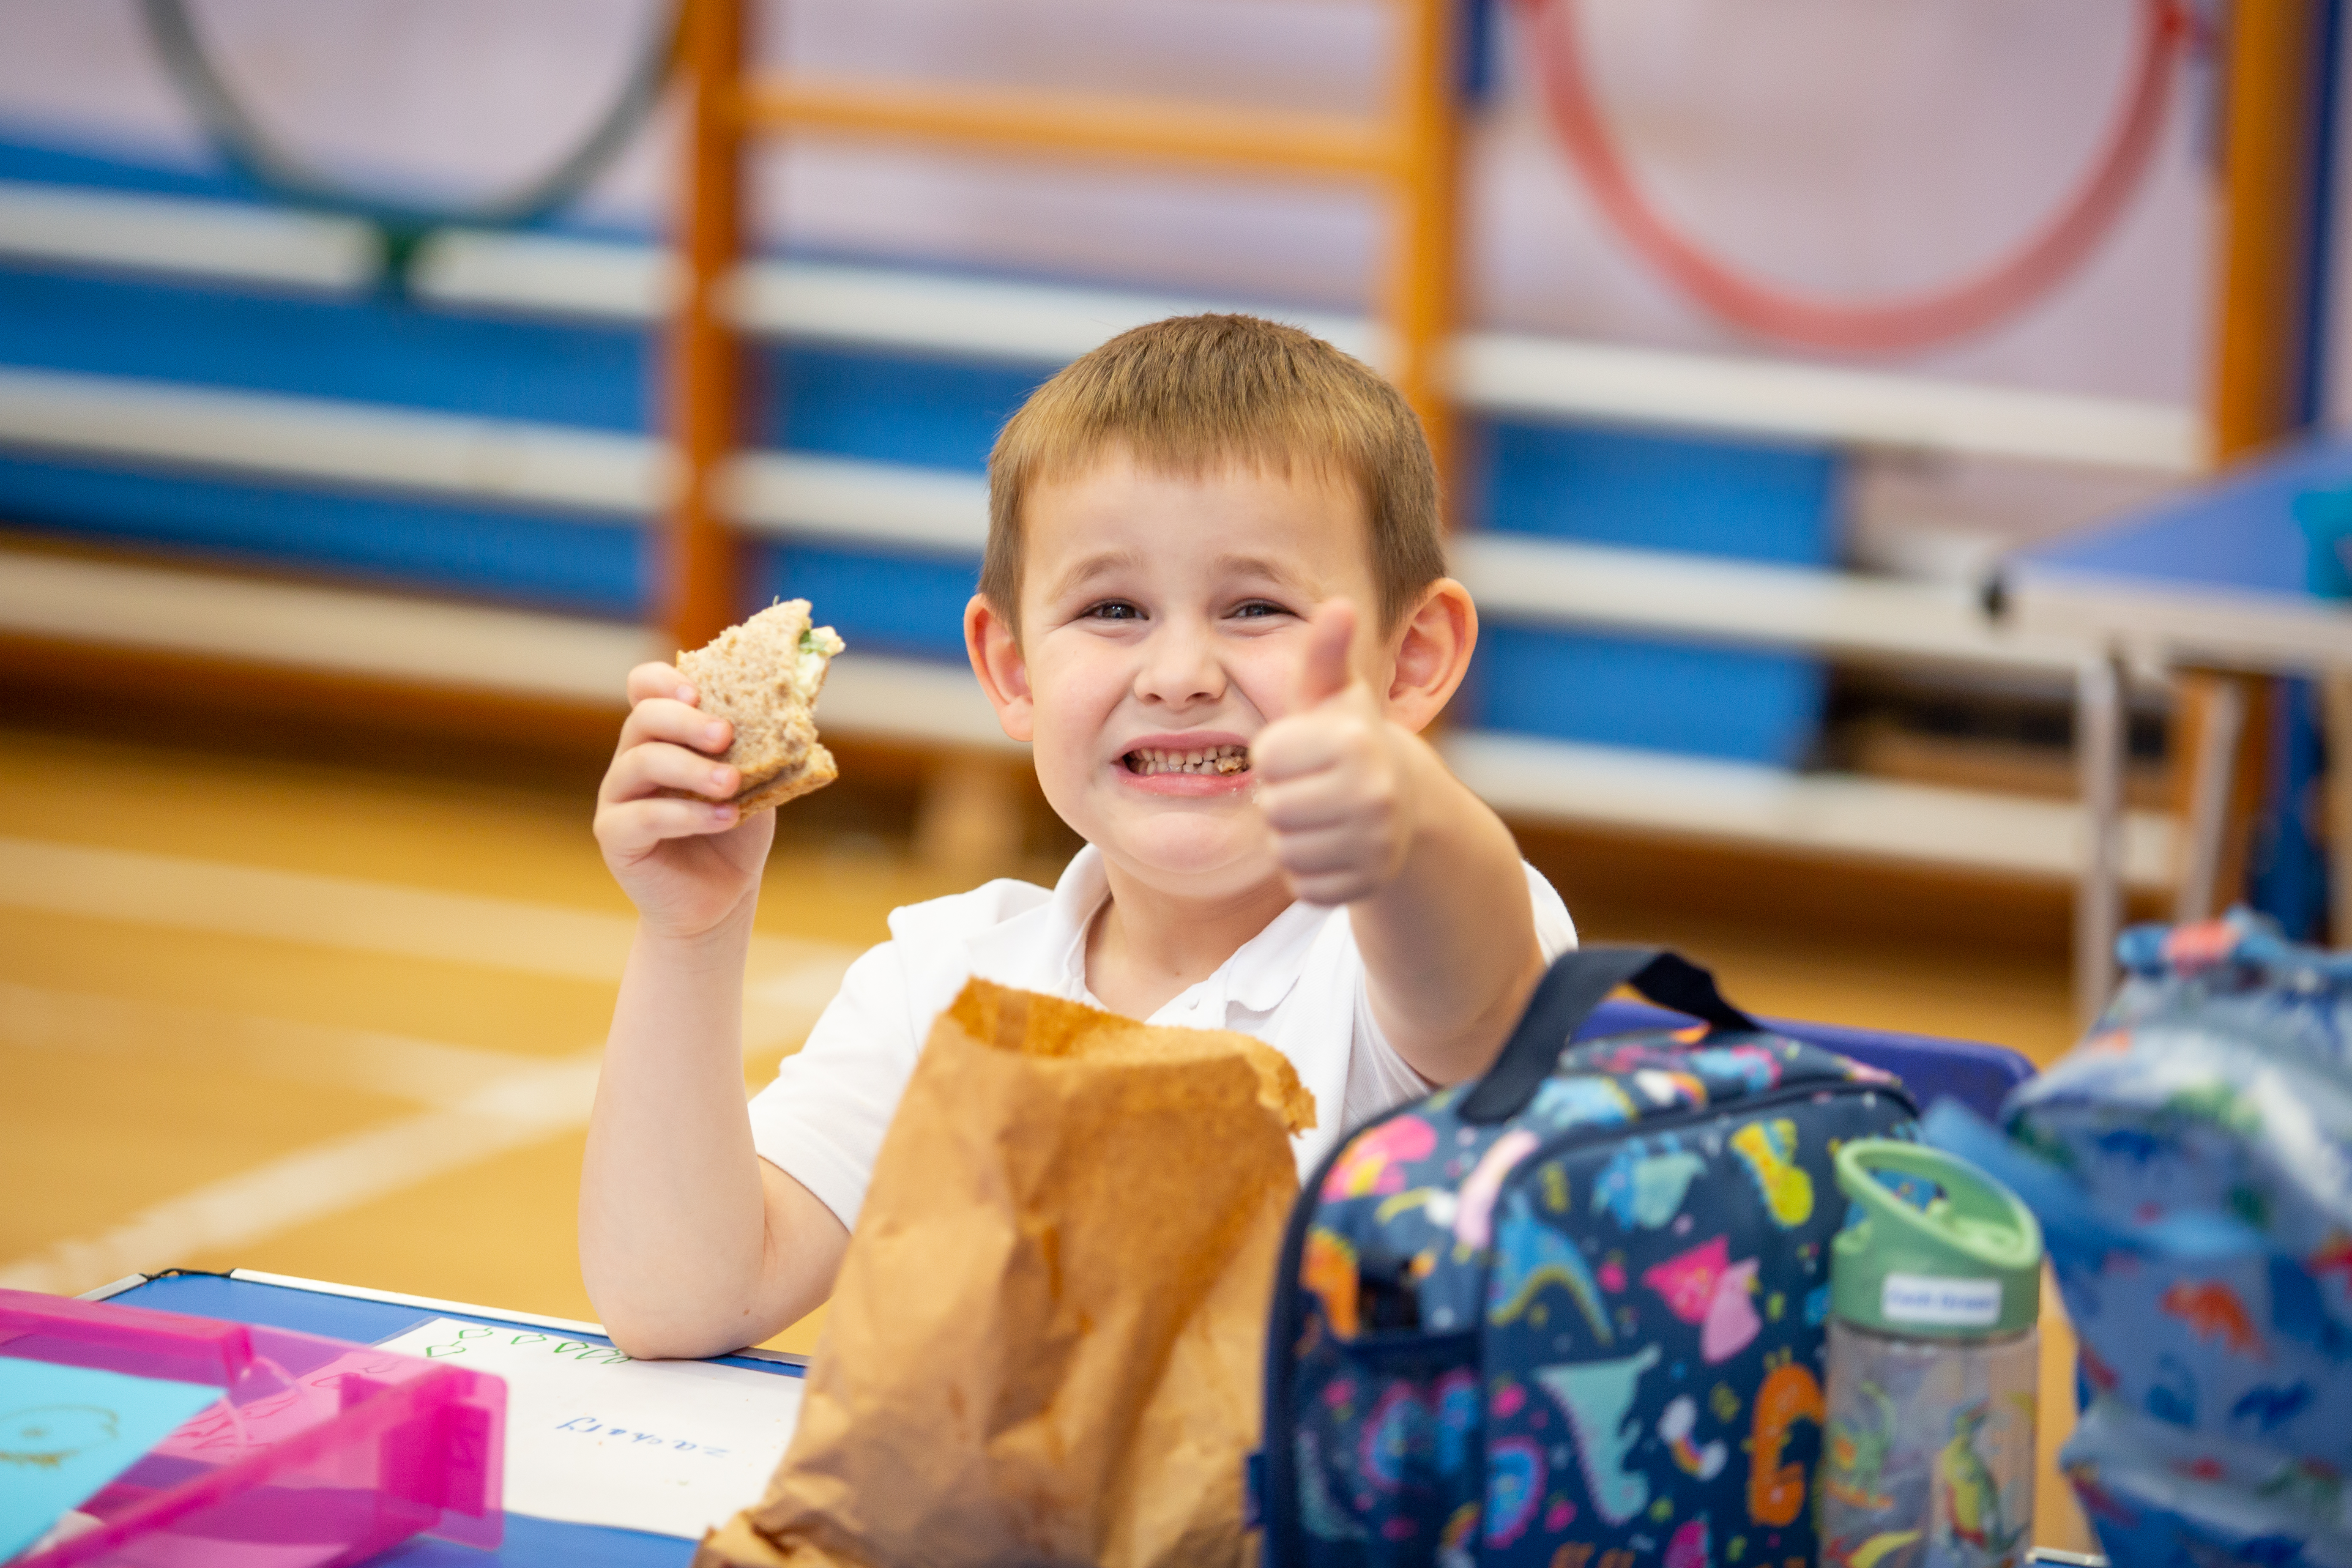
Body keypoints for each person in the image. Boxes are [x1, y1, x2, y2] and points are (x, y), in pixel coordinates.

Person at [580, 314, 1576, 1359]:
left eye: (1255, 607)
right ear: (1012, 670)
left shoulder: (1403, 952)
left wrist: (1406, 815)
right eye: (1112, 609)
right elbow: (682, 1298)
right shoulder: (946, 982)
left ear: (1410, 659)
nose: (1180, 671)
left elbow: (1468, 988)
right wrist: (691, 933)